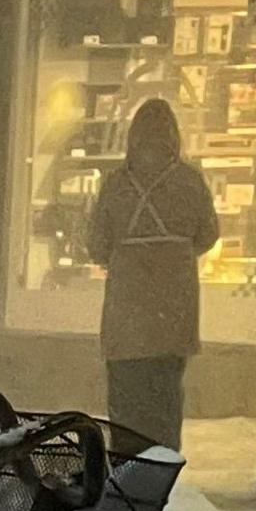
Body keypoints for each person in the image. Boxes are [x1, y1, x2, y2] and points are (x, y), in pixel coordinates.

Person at [88, 97, 216, 454]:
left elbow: (97, 244)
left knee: (126, 404)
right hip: (173, 316)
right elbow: (208, 234)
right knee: (165, 401)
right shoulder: (190, 182)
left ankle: (127, 468)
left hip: (126, 319)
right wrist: (172, 255)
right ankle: (162, 467)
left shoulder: (116, 184)